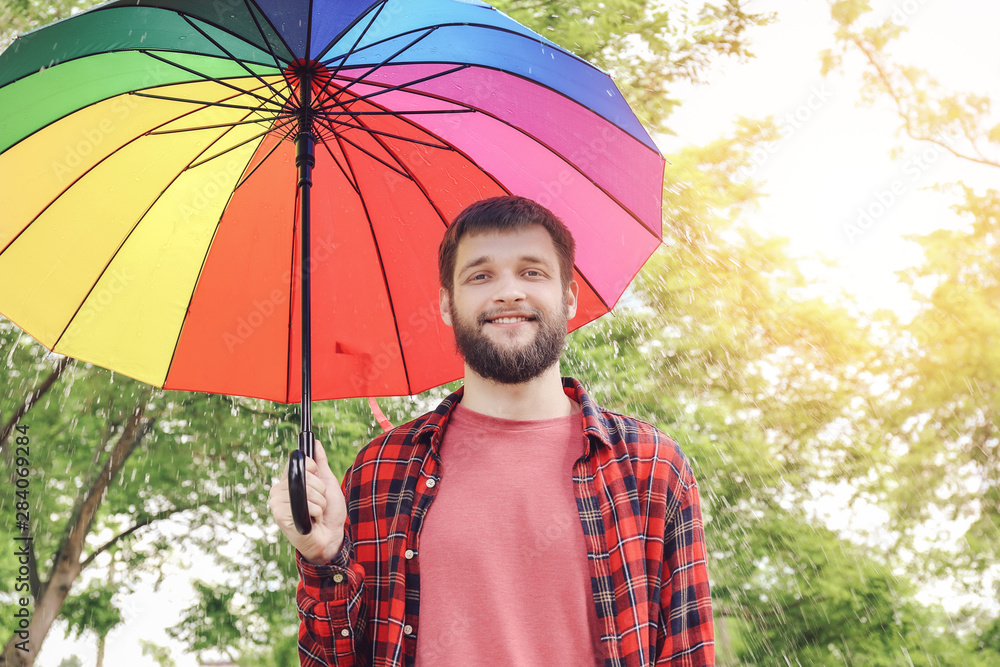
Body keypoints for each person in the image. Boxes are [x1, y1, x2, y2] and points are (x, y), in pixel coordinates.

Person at [269, 196, 715, 666]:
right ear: (446, 303)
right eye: (481, 276)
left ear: (569, 297)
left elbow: (688, 653)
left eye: (532, 272)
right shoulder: (380, 470)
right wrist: (325, 558)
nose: (509, 293)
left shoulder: (651, 464)